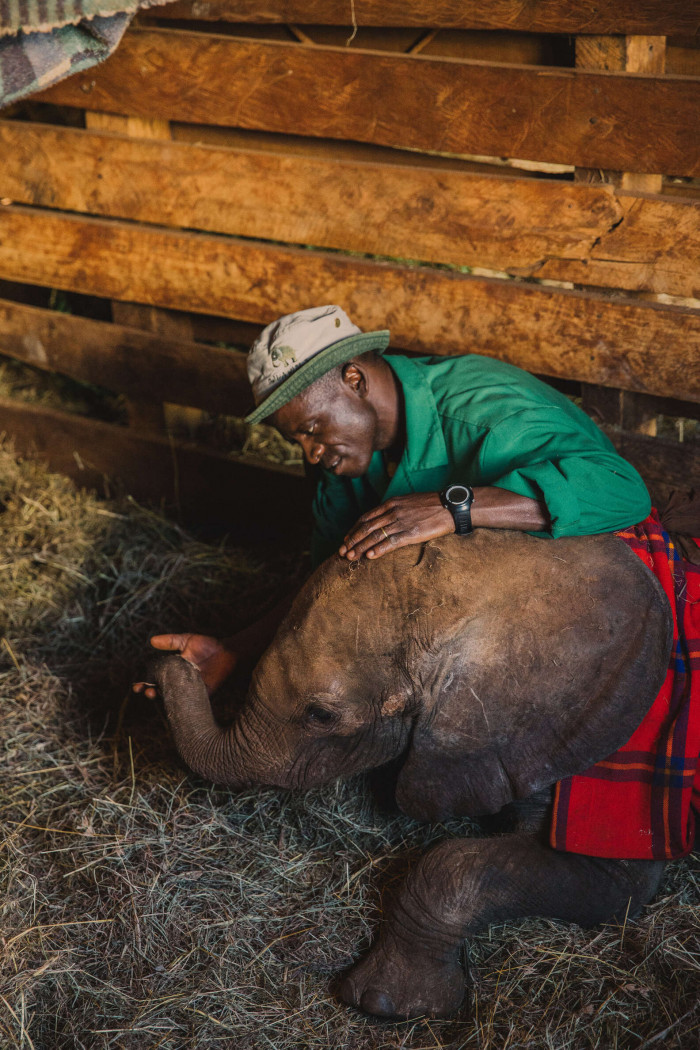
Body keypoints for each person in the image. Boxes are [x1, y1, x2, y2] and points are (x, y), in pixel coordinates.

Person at [134, 303, 650, 699]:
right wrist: (236, 651)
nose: (312, 455)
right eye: (297, 441)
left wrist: (454, 507)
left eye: (312, 430)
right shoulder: (347, 459)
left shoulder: (485, 410)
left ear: (354, 379)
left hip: (597, 588)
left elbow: (625, 491)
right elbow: (332, 578)